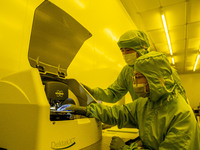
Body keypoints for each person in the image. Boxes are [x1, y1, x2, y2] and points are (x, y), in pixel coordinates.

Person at [63, 51, 200, 150]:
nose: (134, 82)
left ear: (155, 78)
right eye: (134, 77)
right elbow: (118, 113)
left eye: (138, 77)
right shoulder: (146, 103)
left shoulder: (181, 115)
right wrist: (87, 110)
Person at [83, 30, 188, 104]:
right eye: (122, 50)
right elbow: (113, 94)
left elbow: (179, 99)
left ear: (141, 49)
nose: (125, 54)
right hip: (144, 122)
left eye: (128, 50)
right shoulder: (127, 71)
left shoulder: (160, 68)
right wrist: (93, 92)